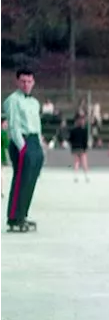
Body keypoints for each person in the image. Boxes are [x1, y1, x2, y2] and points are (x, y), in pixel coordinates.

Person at [4, 68, 43, 232]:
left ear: (33, 82)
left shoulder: (35, 103)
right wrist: (23, 148)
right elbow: (13, 126)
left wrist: (39, 145)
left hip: (34, 141)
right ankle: (14, 217)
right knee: (21, 180)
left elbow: (37, 125)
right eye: (23, 81)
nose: (26, 84)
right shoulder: (12, 100)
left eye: (29, 81)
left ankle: (23, 214)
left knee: (30, 181)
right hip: (22, 142)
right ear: (17, 82)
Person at [69, 115, 90, 182]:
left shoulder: (73, 130)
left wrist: (72, 146)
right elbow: (85, 140)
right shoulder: (85, 130)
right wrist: (85, 148)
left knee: (76, 162)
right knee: (84, 163)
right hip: (82, 148)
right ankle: (86, 176)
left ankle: (76, 176)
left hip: (75, 148)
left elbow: (70, 139)